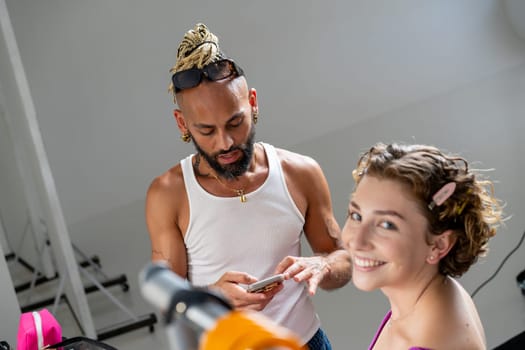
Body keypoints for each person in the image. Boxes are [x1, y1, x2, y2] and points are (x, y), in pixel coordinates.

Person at [145, 23, 352, 349]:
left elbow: (343, 259)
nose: (225, 142)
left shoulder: (300, 173)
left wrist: (322, 264)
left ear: (252, 103)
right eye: (207, 131)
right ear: (183, 124)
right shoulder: (168, 194)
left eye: (235, 123)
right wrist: (213, 296)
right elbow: (165, 296)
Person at [341, 142, 503, 350]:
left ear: (439, 244)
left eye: (387, 225)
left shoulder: (430, 338)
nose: (356, 240)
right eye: (356, 215)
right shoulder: (432, 295)